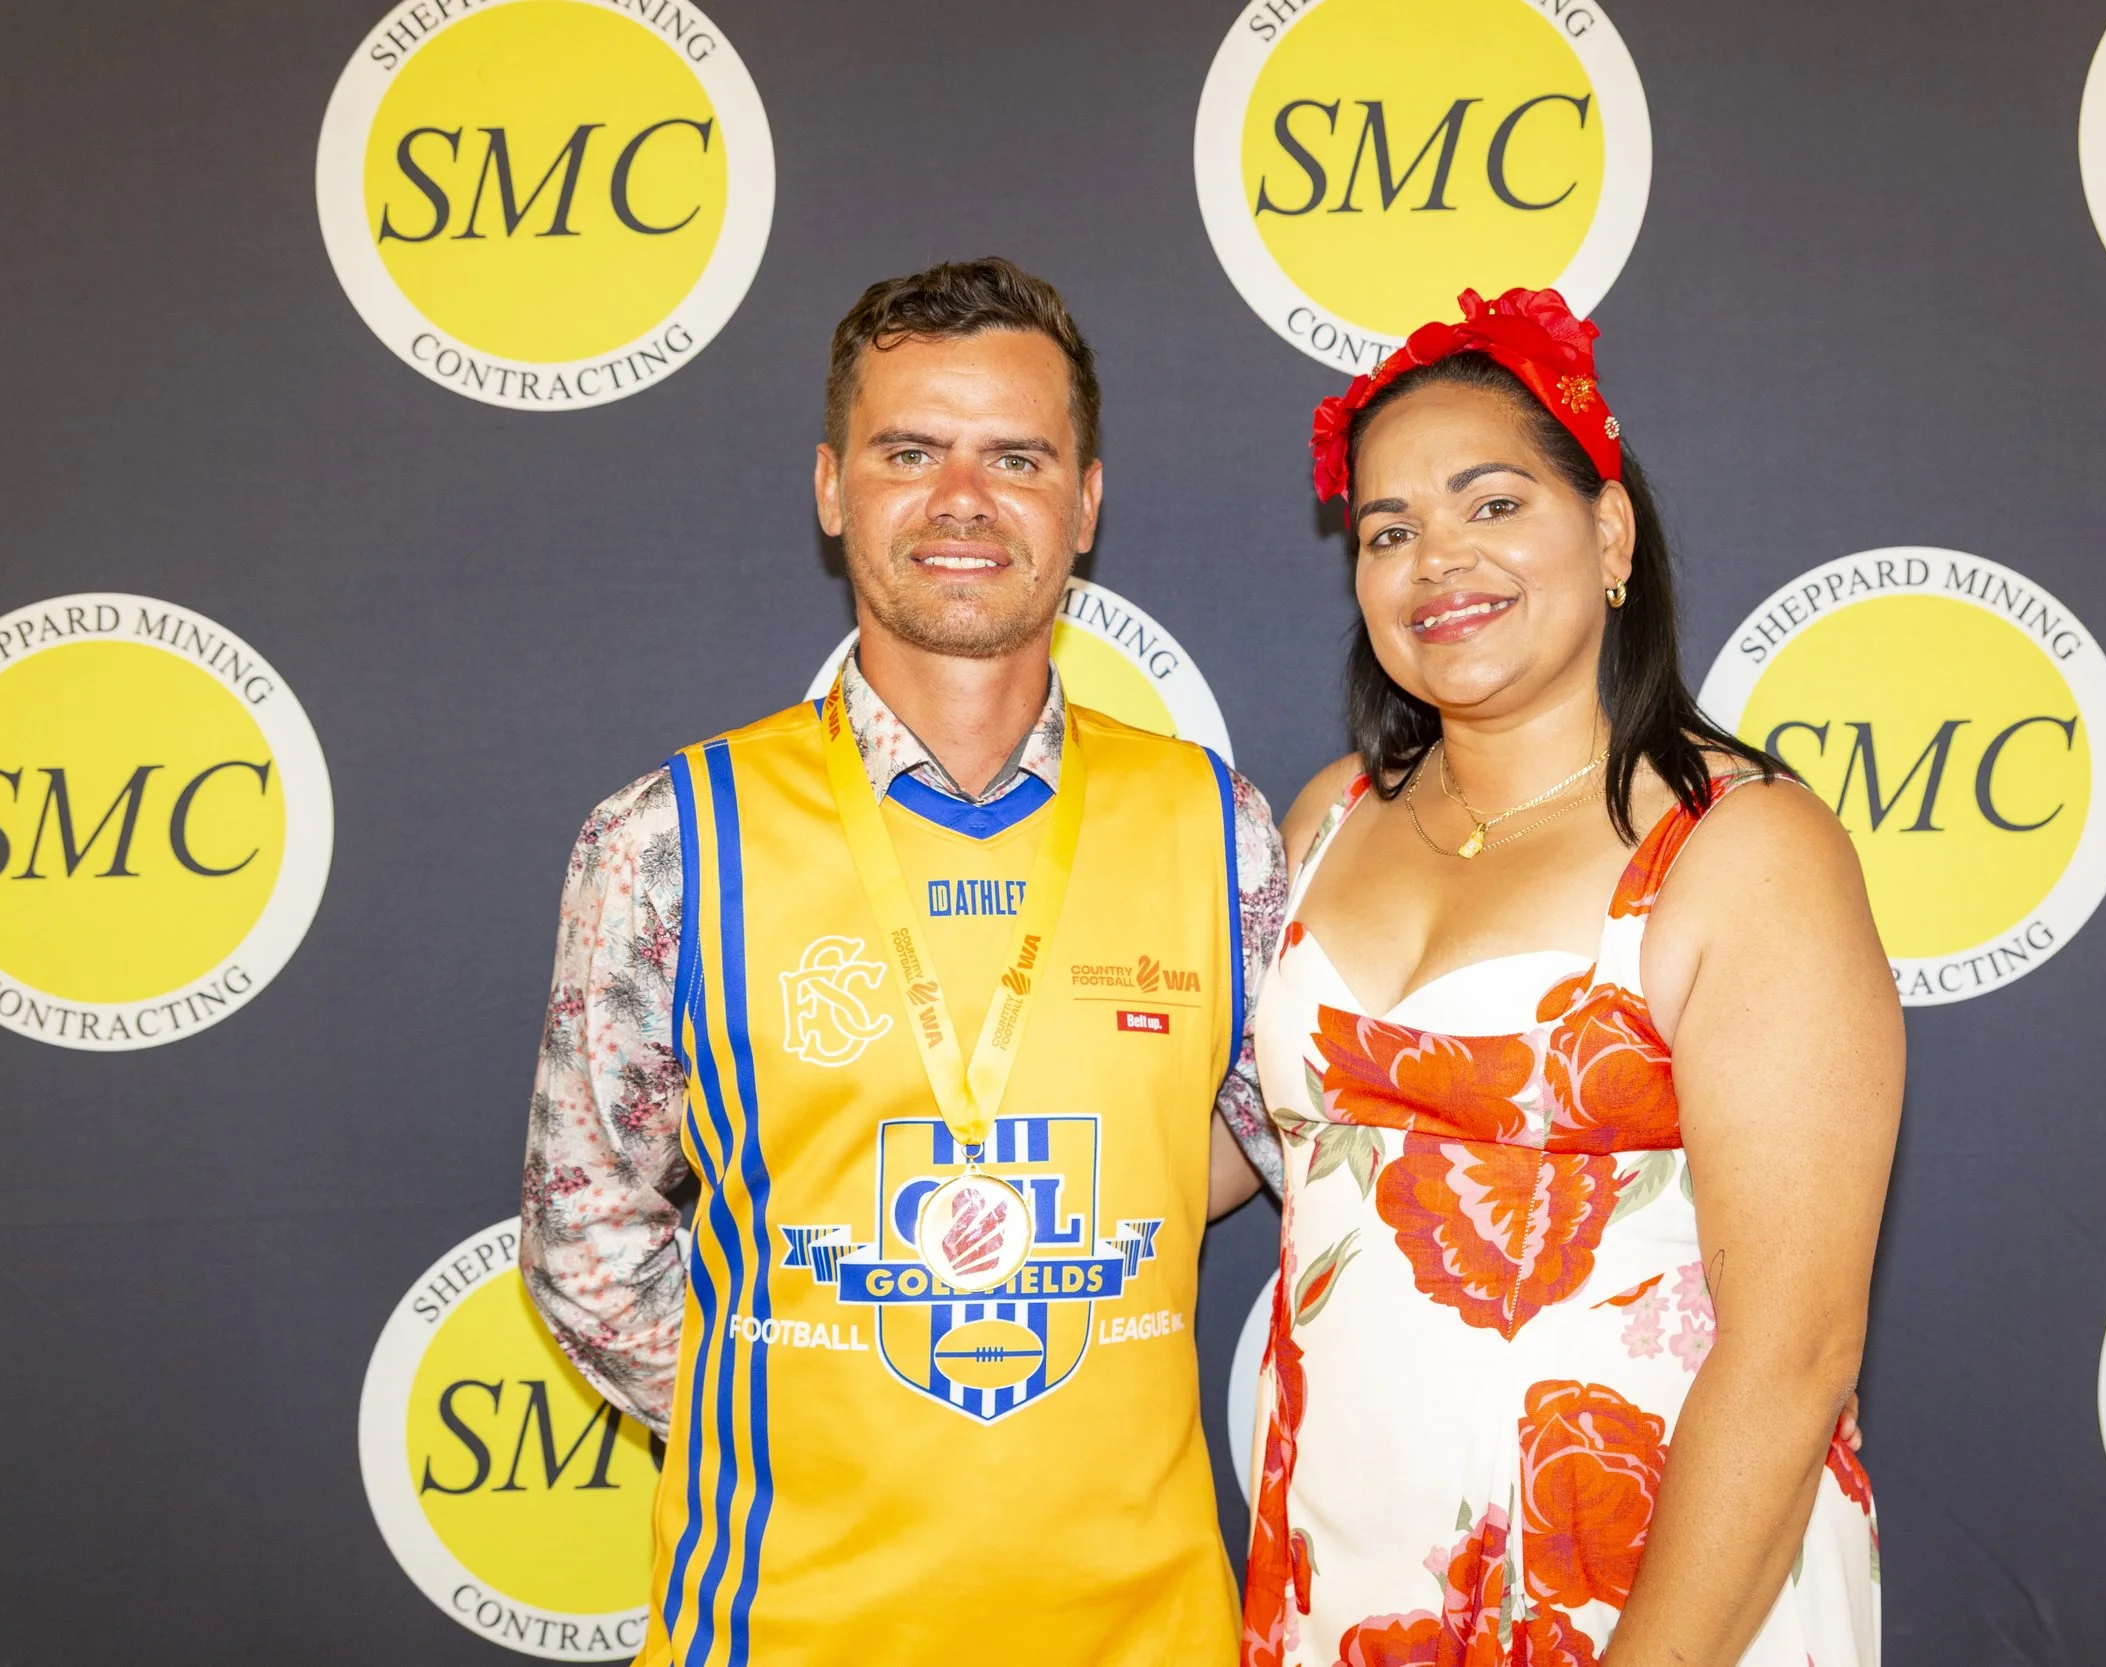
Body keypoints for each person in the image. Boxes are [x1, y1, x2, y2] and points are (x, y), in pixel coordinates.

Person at [518, 257, 1284, 1666]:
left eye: (1017, 456)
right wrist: (801, 1409)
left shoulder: (1215, 829)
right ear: (831, 487)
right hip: (784, 1632)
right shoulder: (668, 838)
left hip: (1144, 1630)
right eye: (909, 451)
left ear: (1086, 503)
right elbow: (588, 1233)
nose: (962, 499)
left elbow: (1290, 1154)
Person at [1241, 289, 1902, 1667]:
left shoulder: (1740, 850)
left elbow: (1794, 1352)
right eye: (1388, 528)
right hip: (1343, 1567)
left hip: (1658, 1597)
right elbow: (1233, 1142)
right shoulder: (1329, 817)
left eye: (1491, 506)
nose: (1436, 560)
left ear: (1609, 535)